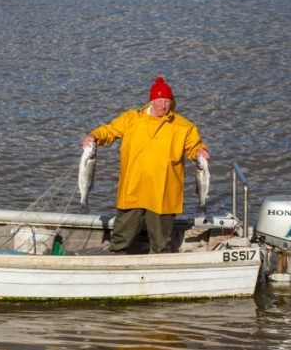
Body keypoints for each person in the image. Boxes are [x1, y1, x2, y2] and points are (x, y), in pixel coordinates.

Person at [83, 76, 209, 254]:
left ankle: (159, 265)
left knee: (161, 241)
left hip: (163, 191)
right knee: (122, 234)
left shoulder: (183, 126)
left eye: (167, 101)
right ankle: (116, 259)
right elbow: (109, 131)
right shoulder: (131, 119)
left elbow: (193, 145)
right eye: (160, 101)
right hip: (134, 186)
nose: (163, 105)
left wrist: (199, 151)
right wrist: (94, 136)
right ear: (152, 100)